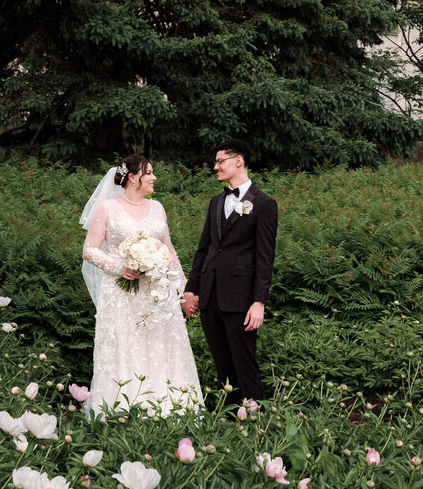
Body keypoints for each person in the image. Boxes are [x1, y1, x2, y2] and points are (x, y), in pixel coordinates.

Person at [80, 154, 202, 418]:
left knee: (161, 346)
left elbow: (170, 252)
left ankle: (169, 409)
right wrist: (119, 266)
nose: (154, 177)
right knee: (126, 346)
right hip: (121, 294)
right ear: (133, 177)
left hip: (157, 295)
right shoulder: (107, 209)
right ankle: (123, 410)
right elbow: (89, 250)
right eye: (149, 173)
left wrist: (184, 290)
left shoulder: (157, 208)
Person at [182, 143, 277, 407]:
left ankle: (254, 417)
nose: (215, 167)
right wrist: (191, 290)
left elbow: (265, 257)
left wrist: (259, 302)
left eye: (220, 161)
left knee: (243, 362)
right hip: (211, 296)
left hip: (241, 299)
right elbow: (204, 249)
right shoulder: (216, 202)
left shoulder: (265, 204)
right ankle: (231, 418)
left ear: (238, 161)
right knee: (222, 363)